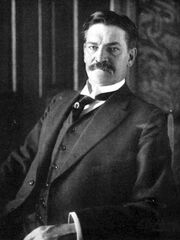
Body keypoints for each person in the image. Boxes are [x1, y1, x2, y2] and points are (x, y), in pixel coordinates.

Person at [0, 10, 177, 240]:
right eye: (93, 47)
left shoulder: (149, 118)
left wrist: (72, 229)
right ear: (84, 52)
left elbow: (155, 210)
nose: (100, 57)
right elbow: (18, 163)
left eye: (113, 49)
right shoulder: (58, 103)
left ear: (131, 57)